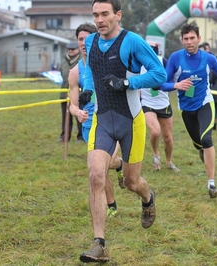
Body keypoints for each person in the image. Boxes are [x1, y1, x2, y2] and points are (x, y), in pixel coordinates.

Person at [79, 0, 167, 262]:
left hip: (131, 122)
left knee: (131, 182)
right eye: (95, 15)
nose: (100, 20)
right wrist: (87, 90)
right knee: (96, 175)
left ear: (117, 15)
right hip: (102, 120)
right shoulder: (90, 42)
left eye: (105, 14)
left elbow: (159, 74)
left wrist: (128, 82)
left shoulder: (133, 41)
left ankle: (147, 196)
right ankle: (100, 244)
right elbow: (90, 72)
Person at [161, 22, 217, 198]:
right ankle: (203, 151)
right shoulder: (175, 58)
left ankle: (211, 184)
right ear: (182, 40)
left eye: (192, 38)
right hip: (186, 109)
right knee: (199, 144)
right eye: (185, 39)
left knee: (206, 138)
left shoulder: (208, 58)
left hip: (204, 103)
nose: (189, 42)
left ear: (199, 39)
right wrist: (176, 85)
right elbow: (161, 84)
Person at [68, 22, 124, 219]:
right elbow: (72, 104)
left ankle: (118, 166)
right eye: (80, 39)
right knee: (99, 169)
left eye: (87, 39)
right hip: (89, 124)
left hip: (110, 120)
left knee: (104, 164)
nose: (83, 43)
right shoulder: (75, 72)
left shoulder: (108, 63)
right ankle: (112, 205)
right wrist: (77, 113)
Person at [140, 41, 180, 172]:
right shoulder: (138, 64)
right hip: (147, 103)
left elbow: (173, 80)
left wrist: (163, 83)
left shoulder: (163, 62)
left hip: (163, 103)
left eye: (153, 49)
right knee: (155, 131)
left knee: (167, 137)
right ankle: (156, 154)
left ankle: (169, 162)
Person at [57, 41, 83, 142]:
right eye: (69, 49)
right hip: (64, 92)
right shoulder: (63, 61)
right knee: (65, 116)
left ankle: (81, 136)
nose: (71, 51)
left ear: (78, 49)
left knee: (79, 115)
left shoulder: (82, 61)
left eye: (73, 49)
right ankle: (64, 136)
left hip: (78, 93)